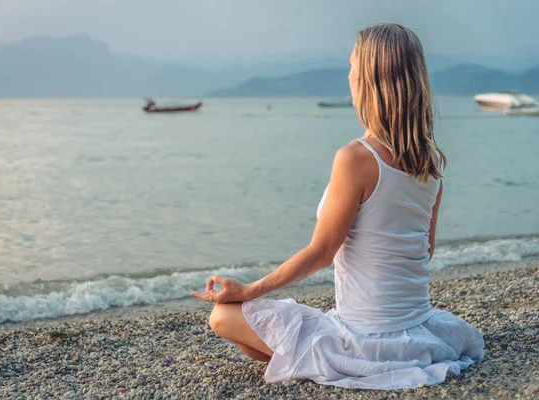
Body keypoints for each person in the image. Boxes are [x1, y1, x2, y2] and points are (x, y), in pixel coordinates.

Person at [191, 23, 484, 390]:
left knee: (222, 318)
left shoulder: (356, 158)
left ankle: (330, 361)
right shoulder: (430, 163)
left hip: (364, 336)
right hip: (418, 331)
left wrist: (248, 291)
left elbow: (321, 254)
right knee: (254, 338)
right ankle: (314, 359)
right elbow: (424, 251)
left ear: (369, 79)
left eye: (352, 65)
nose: (348, 74)